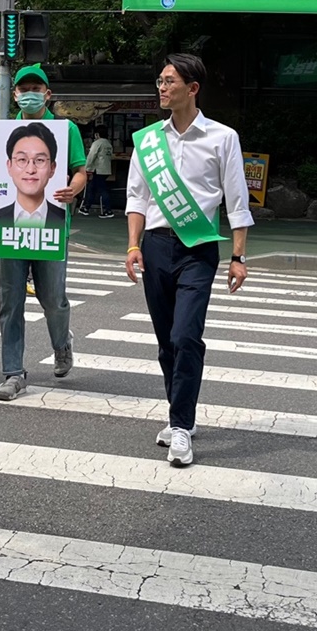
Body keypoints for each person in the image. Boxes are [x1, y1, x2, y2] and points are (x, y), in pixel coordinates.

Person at [124, 53, 253, 468]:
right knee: (166, 343)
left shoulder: (222, 138)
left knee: (185, 337)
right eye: (159, 81)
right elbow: (137, 198)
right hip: (157, 246)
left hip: (198, 249)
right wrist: (132, 245)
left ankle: (181, 426)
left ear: (192, 88)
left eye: (169, 81)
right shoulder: (148, 140)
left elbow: (237, 200)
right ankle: (180, 412)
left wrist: (237, 256)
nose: (162, 88)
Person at [0, 63, 86, 401]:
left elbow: (80, 171)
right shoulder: (3, 131)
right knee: (10, 302)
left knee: (53, 299)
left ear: (48, 94)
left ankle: (62, 343)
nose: (28, 94)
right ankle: (13, 372)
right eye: (23, 89)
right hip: (9, 231)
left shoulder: (66, 131)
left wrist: (73, 189)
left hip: (51, 229)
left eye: (36, 88)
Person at [0, 123, 67, 232]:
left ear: (52, 168)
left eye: (40, 160)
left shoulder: (63, 219)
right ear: (9, 166)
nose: (31, 170)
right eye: (22, 159)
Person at [80, 127, 114, 218]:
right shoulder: (108, 144)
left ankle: (108, 210)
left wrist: (87, 168)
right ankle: (86, 208)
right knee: (92, 188)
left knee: (101, 189)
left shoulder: (97, 143)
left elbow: (91, 156)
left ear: (97, 134)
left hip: (98, 169)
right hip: (106, 169)